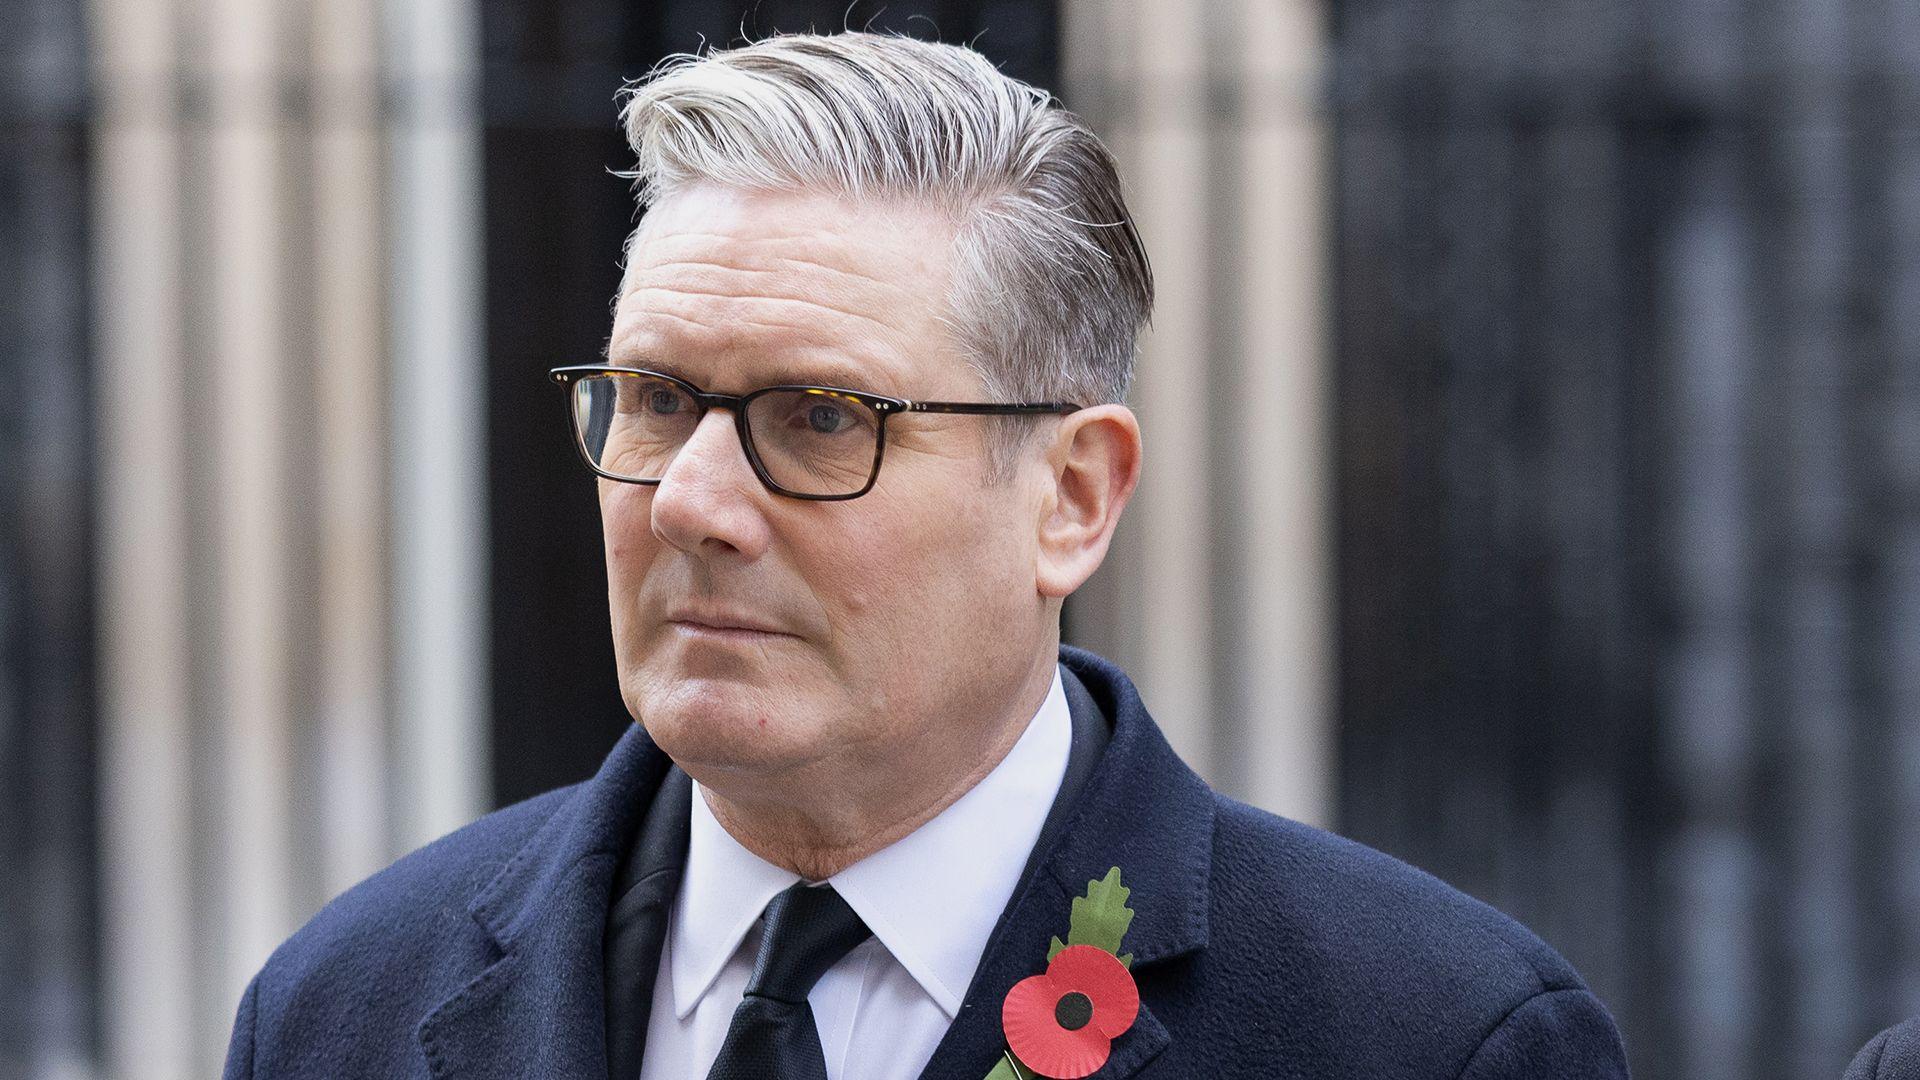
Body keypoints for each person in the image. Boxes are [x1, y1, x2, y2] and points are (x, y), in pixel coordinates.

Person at [221, 31, 1630, 1080]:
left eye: (822, 417)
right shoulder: (343, 1009)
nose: (692, 502)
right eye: (655, 400)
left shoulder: (1429, 1039)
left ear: (1071, 497)